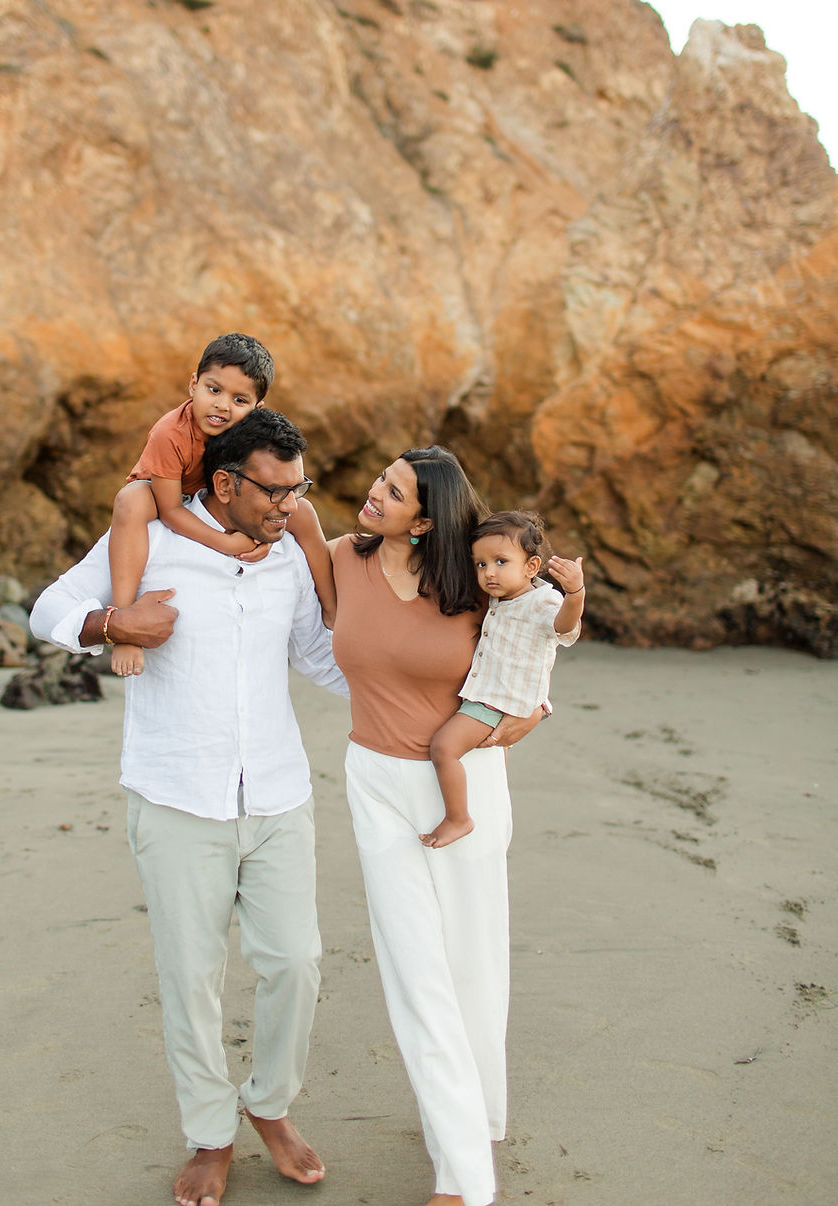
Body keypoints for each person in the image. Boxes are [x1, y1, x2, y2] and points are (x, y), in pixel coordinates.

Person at [30, 408, 348, 1206]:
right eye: (274, 491)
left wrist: (440, 686)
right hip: (175, 794)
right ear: (224, 481)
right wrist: (110, 622)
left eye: (298, 489)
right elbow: (48, 609)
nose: (289, 506)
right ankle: (211, 1133)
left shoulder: (284, 557)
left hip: (277, 793)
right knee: (191, 978)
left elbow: (318, 655)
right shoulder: (151, 536)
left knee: (296, 962)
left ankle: (268, 1103)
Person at [329, 447, 546, 1206]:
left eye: (393, 492)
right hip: (374, 783)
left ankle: (480, 1116)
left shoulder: (476, 581)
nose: (373, 493)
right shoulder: (338, 562)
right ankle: (463, 1176)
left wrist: (525, 717)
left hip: (466, 785)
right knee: (417, 975)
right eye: (380, 480)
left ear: (424, 520)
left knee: (475, 966)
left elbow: (535, 650)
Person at [108, 331, 336, 677]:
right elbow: (171, 510)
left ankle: (332, 609)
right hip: (163, 493)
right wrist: (227, 543)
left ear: (257, 408)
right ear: (193, 384)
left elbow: (264, 483)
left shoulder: (244, 430)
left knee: (302, 510)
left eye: (239, 399)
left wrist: (263, 526)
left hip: (219, 495)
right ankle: (124, 620)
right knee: (130, 502)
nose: (222, 406)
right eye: (213, 390)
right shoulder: (170, 433)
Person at [420, 509, 585, 848]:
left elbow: (564, 628)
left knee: (443, 748)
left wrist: (576, 594)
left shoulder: (543, 600)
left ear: (532, 567)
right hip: (492, 695)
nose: (489, 572)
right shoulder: (499, 598)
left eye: (500, 562)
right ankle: (485, 808)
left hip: (498, 700)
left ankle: (458, 818)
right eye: (481, 564)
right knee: (491, 767)